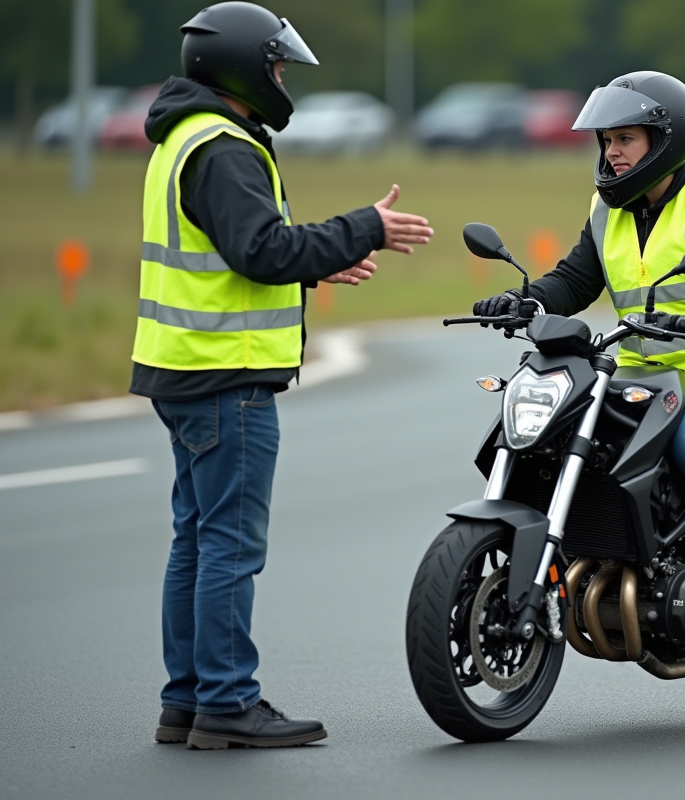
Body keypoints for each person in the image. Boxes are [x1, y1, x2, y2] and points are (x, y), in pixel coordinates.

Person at [132, 1, 434, 749]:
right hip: (225, 377)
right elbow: (259, 250)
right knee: (230, 544)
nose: (279, 78)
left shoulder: (186, 138)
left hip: (185, 370)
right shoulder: (226, 147)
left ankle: (188, 701)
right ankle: (229, 704)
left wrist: (330, 255)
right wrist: (365, 226)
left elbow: (243, 255)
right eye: (273, 65)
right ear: (239, 66)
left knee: (196, 541)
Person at [472, 71, 685, 637]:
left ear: (663, 140)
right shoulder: (606, 209)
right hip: (640, 371)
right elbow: (574, 279)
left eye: (625, 139)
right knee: (571, 437)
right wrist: (523, 300)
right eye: (606, 140)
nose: (612, 152)